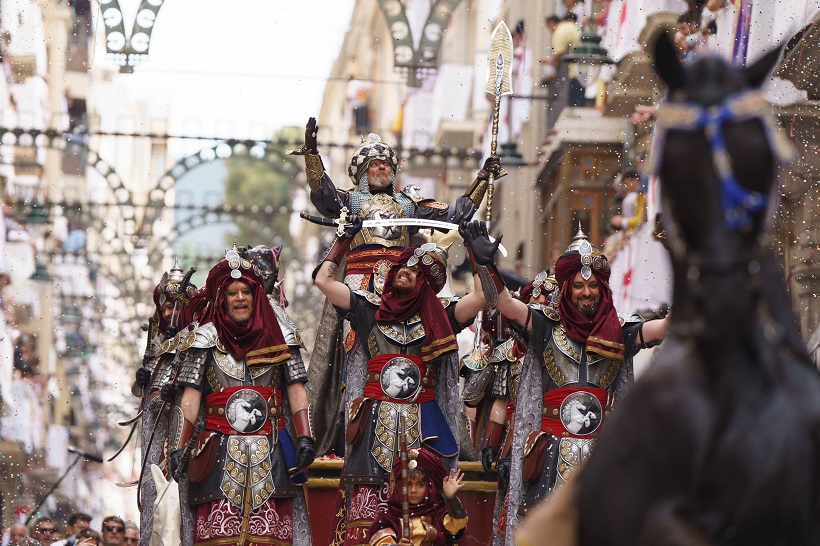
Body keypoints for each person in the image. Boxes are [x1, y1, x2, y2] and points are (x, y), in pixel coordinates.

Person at [293, 118, 501, 456]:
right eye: (373, 165)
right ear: (360, 173)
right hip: (361, 288)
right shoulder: (352, 202)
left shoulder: (408, 203)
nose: (381, 169)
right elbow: (325, 197)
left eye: (386, 164)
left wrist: (482, 178)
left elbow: (453, 215)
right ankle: (351, 424)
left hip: (408, 285)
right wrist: (311, 155)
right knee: (352, 351)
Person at [460, 221, 669, 536]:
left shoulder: (621, 331)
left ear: (603, 288)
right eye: (578, 286)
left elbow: (666, 328)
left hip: (602, 464)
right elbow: (503, 304)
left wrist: (680, 256)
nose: (587, 293)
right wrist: (485, 264)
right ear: (567, 288)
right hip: (548, 462)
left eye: (593, 286)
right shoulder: (544, 326)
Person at [314, 220, 486, 545]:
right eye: (404, 264)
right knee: (366, 526)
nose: (407, 270)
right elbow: (322, 281)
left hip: (424, 426)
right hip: (374, 427)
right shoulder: (368, 308)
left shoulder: (442, 316)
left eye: (418, 270)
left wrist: (476, 253)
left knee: (425, 523)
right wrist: (343, 239)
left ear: (426, 284)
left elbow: (481, 296)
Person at [170, 246, 314, 545]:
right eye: (232, 293)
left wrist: (305, 437)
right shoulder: (205, 339)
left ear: (255, 295)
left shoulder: (282, 334)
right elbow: (191, 397)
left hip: (271, 450)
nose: (239, 298)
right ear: (222, 299)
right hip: (216, 453)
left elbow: (296, 388)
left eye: (245, 292)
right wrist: (179, 447)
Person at [130, 260, 198, 546]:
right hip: (157, 440)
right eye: (165, 308)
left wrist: (178, 397)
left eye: (174, 305)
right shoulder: (156, 342)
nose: (169, 312)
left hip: (189, 440)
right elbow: (141, 396)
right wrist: (142, 381)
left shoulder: (199, 339)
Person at [367, 448, 468, 545]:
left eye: (420, 485)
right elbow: (380, 541)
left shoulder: (438, 515)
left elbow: (458, 525)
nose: (413, 490)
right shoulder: (389, 517)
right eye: (408, 484)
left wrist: (450, 497)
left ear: (429, 487)